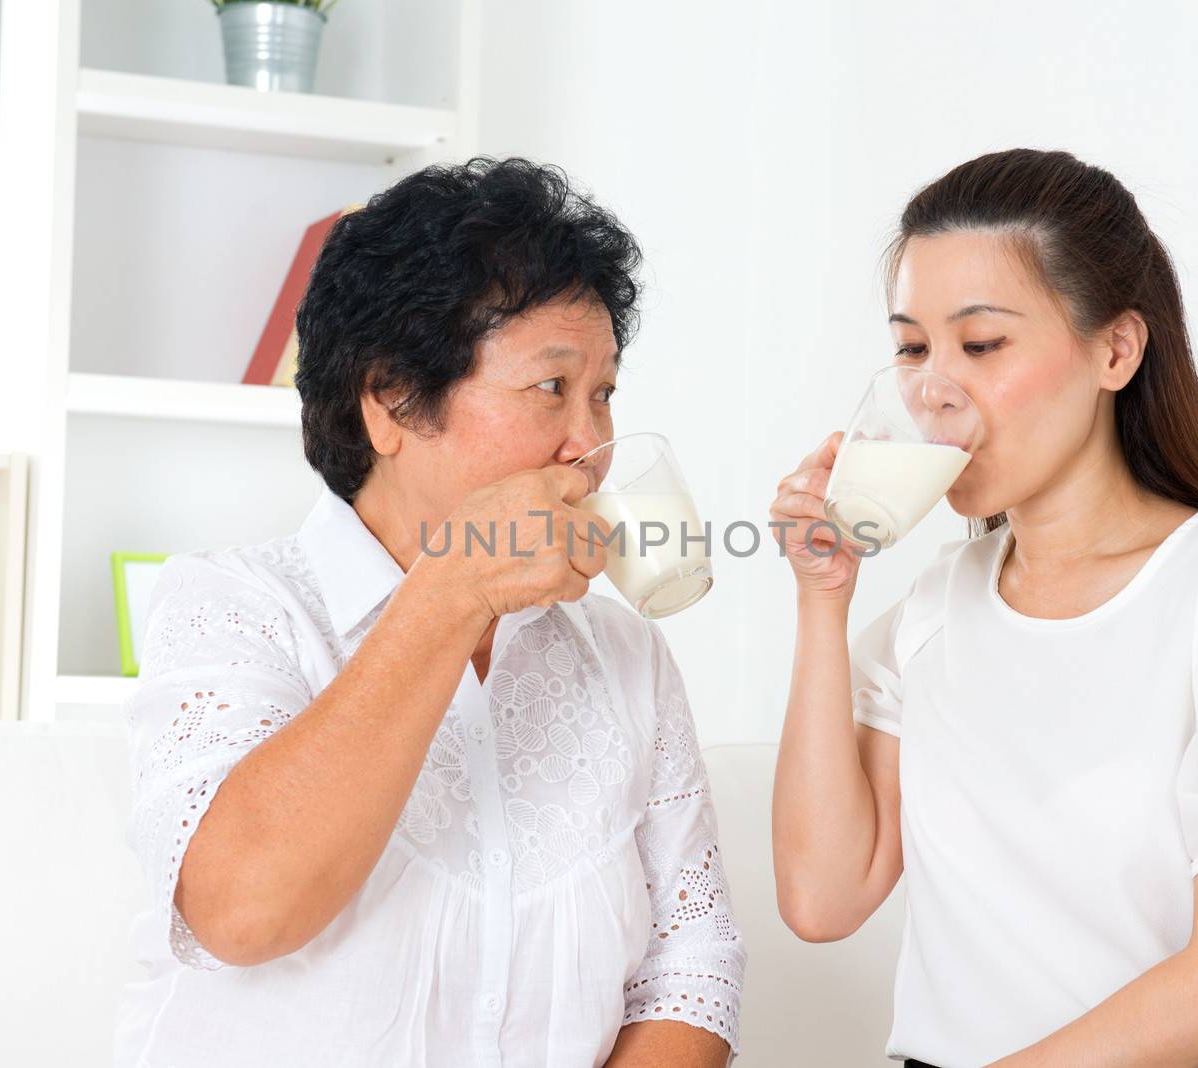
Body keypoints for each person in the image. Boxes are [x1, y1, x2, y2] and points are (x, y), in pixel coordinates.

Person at [114, 157, 744, 1068]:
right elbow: (242, 912)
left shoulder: (623, 654)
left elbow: (693, 965)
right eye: (550, 388)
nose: (592, 444)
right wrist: (452, 592)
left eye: (603, 393)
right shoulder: (232, 606)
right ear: (391, 401)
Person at [769, 148, 1198, 1067]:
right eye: (912, 348)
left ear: (1115, 350)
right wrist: (822, 602)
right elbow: (822, 898)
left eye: (981, 345)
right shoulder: (935, 611)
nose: (934, 390)